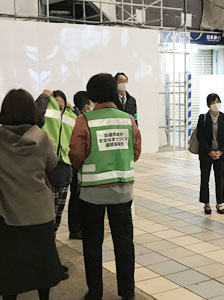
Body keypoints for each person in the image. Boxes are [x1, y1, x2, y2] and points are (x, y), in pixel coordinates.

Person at [69, 73, 141, 300]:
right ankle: (127, 292)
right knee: (124, 243)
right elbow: (136, 151)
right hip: (122, 192)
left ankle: (96, 292)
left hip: (92, 194)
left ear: (91, 95)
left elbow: (76, 155)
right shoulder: (127, 119)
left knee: (92, 244)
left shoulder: (84, 120)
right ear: (113, 91)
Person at [0, 89, 64, 300]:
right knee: (42, 265)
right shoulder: (42, 137)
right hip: (40, 213)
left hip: (8, 215)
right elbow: (52, 164)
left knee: (9, 268)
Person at [36, 90, 77, 236]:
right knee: (47, 213)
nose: (59, 108)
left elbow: (81, 124)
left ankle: (50, 238)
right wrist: (44, 97)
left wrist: (74, 109)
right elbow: (35, 117)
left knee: (58, 212)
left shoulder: (70, 116)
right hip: (46, 168)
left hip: (65, 169)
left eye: (62, 106)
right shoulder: (44, 113)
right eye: (56, 105)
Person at [197, 93, 224, 214]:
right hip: (206, 154)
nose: (215, 104)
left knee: (220, 178)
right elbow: (200, 137)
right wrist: (209, 151)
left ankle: (219, 203)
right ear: (208, 105)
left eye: (217, 101)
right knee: (205, 179)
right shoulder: (203, 118)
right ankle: (206, 203)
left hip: (220, 154)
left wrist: (221, 151)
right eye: (213, 102)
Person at [68, 91, 94, 240]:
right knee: (77, 197)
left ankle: (76, 228)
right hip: (78, 164)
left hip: (74, 163)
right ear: (86, 106)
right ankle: (76, 229)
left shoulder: (74, 117)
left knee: (76, 196)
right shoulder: (80, 120)